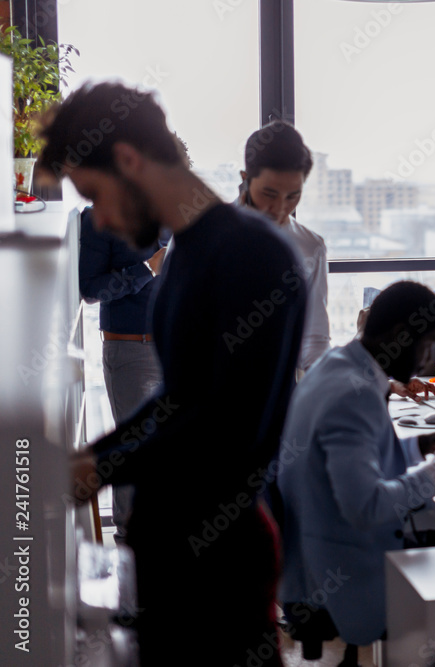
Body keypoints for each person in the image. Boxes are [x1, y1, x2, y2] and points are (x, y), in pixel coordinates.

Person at [41, 81, 306, 666]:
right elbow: (177, 400)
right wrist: (91, 460)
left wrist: (98, 466)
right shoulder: (190, 249)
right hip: (174, 557)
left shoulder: (256, 257)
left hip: (220, 568)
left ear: (129, 161)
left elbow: (217, 425)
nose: (103, 222)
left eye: (96, 195)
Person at [279, 280, 435, 648]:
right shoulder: (357, 395)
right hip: (342, 573)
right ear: (400, 335)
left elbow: (357, 458)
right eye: (427, 344)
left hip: (313, 552)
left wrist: (420, 447)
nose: (428, 360)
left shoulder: (336, 364)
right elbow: (365, 506)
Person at [78, 207, 165, 544]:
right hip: (132, 352)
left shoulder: (177, 213)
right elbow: (90, 289)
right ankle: (131, 554)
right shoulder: (102, 216)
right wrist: (146, 269)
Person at [240, 120, 330, 374]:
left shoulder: (310, 247)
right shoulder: (202, 235)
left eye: (292, 196)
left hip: (283, 395)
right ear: (245, 179)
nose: (280, 209)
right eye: (269, 194)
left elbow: (314, 339)